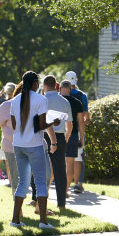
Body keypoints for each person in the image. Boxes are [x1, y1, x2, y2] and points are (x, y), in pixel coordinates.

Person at [9, 71, 56, 229]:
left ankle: (15, 220)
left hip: (18, 145)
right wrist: (53, 122)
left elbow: (15, 126)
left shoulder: (14, 100)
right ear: (35, 83)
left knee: (23, 182)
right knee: (41, 182)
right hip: (34, 145)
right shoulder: (41, 99)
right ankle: (43, 221)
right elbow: (41, 125)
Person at [43, 75, 73, 209]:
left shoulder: (42, 100)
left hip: (43, 136)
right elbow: (70, 125)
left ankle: (36, 199)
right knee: (60, 171)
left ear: (44, 86)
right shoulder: (65, 102)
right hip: (60, 136)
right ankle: (61, 203)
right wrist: (65, 138)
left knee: (40, 168)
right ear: (56, 85)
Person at [0, 82, 20, 197]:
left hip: (1, 133)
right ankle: (10, 180)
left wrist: (0, 93)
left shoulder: (4, 103)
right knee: (9, 161)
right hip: (12, 136)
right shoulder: (17, 102)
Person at [65, 71, 89, 192]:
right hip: (77, 132)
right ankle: (78, 184)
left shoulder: (61, 95)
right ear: (77, 81)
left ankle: (65, 186)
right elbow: (85, 118)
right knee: (78, 159)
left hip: (64, 131)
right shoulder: (82, 96)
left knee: (67, 160)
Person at [60, 80, 84, 198]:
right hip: (73, 135)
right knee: (70, 164)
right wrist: (82, 137)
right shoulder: (77, 102)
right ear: (70, 89)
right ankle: (65, 190)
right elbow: (81, 122)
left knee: (56, 163)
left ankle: (49, 188)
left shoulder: (57, 101)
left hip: (58, 135)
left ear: (60, 89)